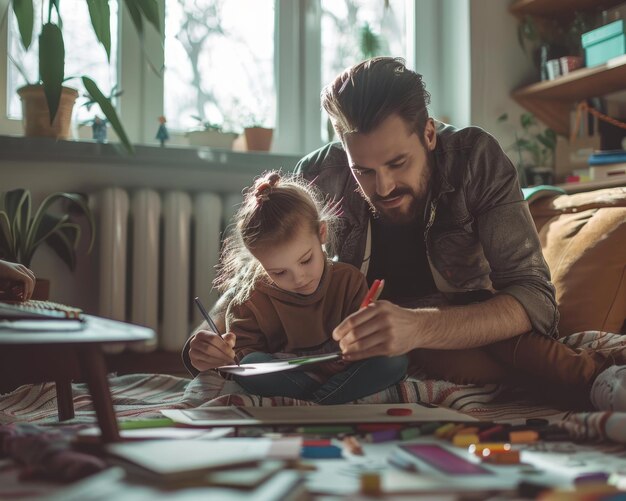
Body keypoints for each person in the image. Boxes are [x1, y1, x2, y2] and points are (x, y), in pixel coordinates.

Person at [183, 57, 625, 411]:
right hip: (359, 341)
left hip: (459, 321)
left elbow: (534, 300)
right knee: (445, 361)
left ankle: (599, 380)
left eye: (398, 163)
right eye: (364, 171)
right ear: (344, 151)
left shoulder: (476, 158)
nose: (383, 187)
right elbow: (257, 274)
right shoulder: (318, 174)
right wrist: (206, 339)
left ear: (429, 133)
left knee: (506, 351)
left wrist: (418, 326)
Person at [186, 171, 407, 404]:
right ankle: (327, 401)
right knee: (252, 366)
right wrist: (225, 355)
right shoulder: (250, 299)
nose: (299, 278)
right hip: (289, 379)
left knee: (396, 359)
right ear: (258, 260)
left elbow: (366, 338)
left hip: (344, 374)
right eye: (279, 272)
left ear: (321, 233)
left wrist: (356, 350)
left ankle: (315, 402)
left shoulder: (348, 280)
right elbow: (245, 357)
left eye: (306, 260)